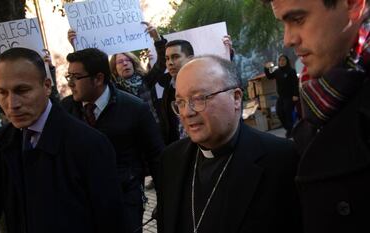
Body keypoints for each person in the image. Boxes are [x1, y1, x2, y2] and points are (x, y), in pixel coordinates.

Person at [0, 47, 123, 233]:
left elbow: (111, 221)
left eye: (22, 90)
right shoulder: (2, 141)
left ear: (46, 86)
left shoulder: (89, 144)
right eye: (2, 92)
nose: (12, 104)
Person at [157, 55, 301, 233]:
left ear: (236, 98)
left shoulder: (282, 159)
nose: (187, 112)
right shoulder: (171, 159)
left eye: (200, 98)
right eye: (180, 102)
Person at [264, 0, 370, 232]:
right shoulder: (319, 91)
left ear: (353, 5)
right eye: (284, 23)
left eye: (298, 20)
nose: (288, 39)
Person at [60, 48, 164, 233]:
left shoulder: (134, 109)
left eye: (76, 77)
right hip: (81, 204)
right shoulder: (65, 110)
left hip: (124, 201)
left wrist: (165, 200)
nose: (71, 83)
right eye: (69, 77)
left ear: (98, 79)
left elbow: (156, 157)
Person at [264, 54, 299, 138]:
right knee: (279, 112)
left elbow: (295, 83)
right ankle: (289, 128)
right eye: (280, 60)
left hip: (290, 96)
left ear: (287, 61)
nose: (281, 62)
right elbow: (269, 76)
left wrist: (295, 94)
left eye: (283, 60)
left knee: (287, 112)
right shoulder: (277, 71)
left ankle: (290, 131)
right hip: (281, 97)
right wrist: (266, 68)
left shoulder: (291, 71)